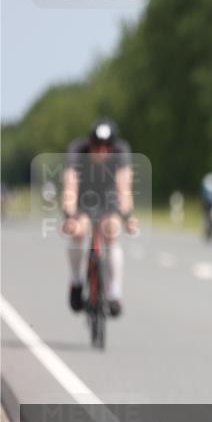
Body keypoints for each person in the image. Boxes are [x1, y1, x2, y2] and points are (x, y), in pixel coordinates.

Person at [62, 118, 138, 317]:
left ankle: (114, 293)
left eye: (107, 147)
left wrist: (128, 216)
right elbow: (70, 187)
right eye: (97, 146)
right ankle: (76, 280)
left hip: (108, 200)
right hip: (83, 199)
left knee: (112, 232)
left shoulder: (121, 151)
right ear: (90, 142)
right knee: (78, 232)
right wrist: (70, 216)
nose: (102, 151)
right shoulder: (77, 150)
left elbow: (124, 188)